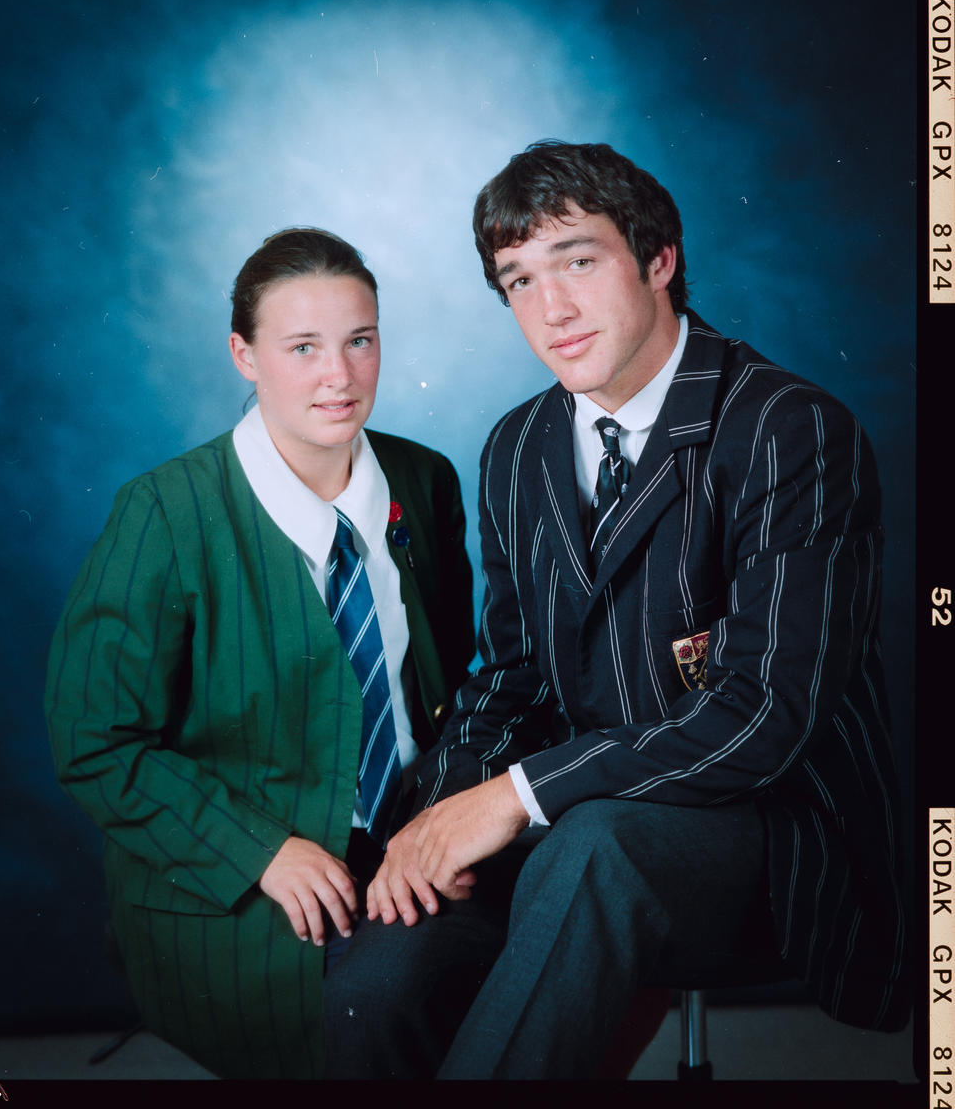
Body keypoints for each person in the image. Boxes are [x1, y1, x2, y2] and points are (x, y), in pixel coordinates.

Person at [323, 142, 910, 1079]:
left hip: (764, 832)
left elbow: (765, 717)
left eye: (578, 261)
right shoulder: (518, 446)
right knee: (389, 956)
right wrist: (426, 826)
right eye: (517, 280)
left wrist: (516, 798)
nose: (549, 309)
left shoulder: (790, 430)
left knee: (590, 850)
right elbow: (511, 679)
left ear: (659, 259)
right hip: (574, 820)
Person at [44, 227, 474, 1079]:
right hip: (239, 882)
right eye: (303, 347)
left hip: (403, 850)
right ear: (244, 355)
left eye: (360, 340)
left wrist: (442, 828)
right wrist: (260, 852)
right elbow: (93, 743)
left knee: (550, 936)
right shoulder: (163, 514)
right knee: (384, 1003)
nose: (339, 376)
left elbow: (456, 689)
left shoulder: (425, 482)